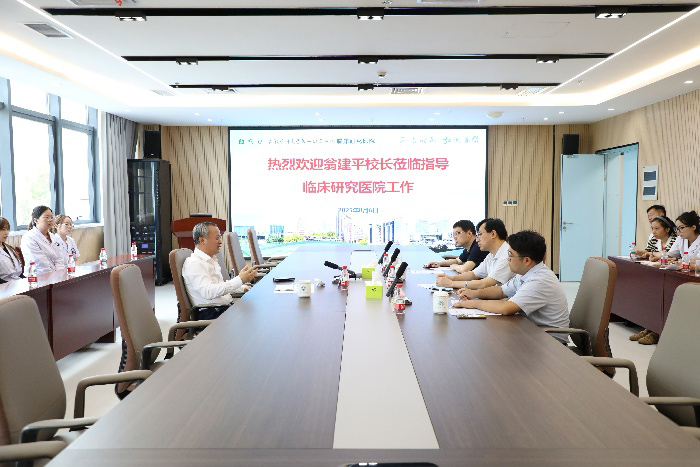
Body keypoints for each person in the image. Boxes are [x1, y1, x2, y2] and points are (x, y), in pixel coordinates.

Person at [453, 230, 570, 343]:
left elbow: (506, 308)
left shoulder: (540, 280)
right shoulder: (525, 273)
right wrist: (474, 293)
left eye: (510, 255)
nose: (507, 259)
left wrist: (473, 304)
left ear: (527, 260)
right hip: (531, 330)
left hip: (550, 341)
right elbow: (501, 291)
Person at [632, 210, 700, 346]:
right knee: (658, 294)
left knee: (668, 297)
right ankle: (651, 327)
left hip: (695, 280)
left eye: (682, 228)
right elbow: (670, 254)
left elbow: (697, 262)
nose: (679, 232)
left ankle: (658, 332)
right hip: (681, 274)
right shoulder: (681, 240)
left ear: (693, 227)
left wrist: (680, 262)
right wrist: (657, 256)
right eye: (677, 228)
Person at [182, 222, 258, 320]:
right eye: (217, 238)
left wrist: (242, 288)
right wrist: (239, 280)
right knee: (255, 315)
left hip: (222, 308)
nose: (220, 242)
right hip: (211, 313)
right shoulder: (194, 263)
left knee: (257, 307)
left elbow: (219, 286)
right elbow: (208, 292)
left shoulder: (211, 259)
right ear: (202, 240)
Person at [436, 218, 514, 289]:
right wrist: (451, 278)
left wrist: (451, 283)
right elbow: (474, 274)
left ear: (493, 234)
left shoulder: (507, 255)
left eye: (480, 234)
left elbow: (484, 284)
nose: (477, 240)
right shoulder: (492, 254)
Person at [20, 205, 65, 274]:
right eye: (46, 217)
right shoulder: (29, 237)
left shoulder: (53, 237)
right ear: (36, 220)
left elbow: (59, 259)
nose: (50, 220)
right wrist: (53, 277)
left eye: (51, 217)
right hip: (37, 276)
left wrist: (60, 274)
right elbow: (40, 264)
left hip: (56, 275)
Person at [0, 217, 24, 282]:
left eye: (8, 229)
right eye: (3, 229)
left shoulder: (10, 249)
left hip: (17, 283)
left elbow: (18, 272)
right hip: (5, 286)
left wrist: (25, 280)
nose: (6, 232)